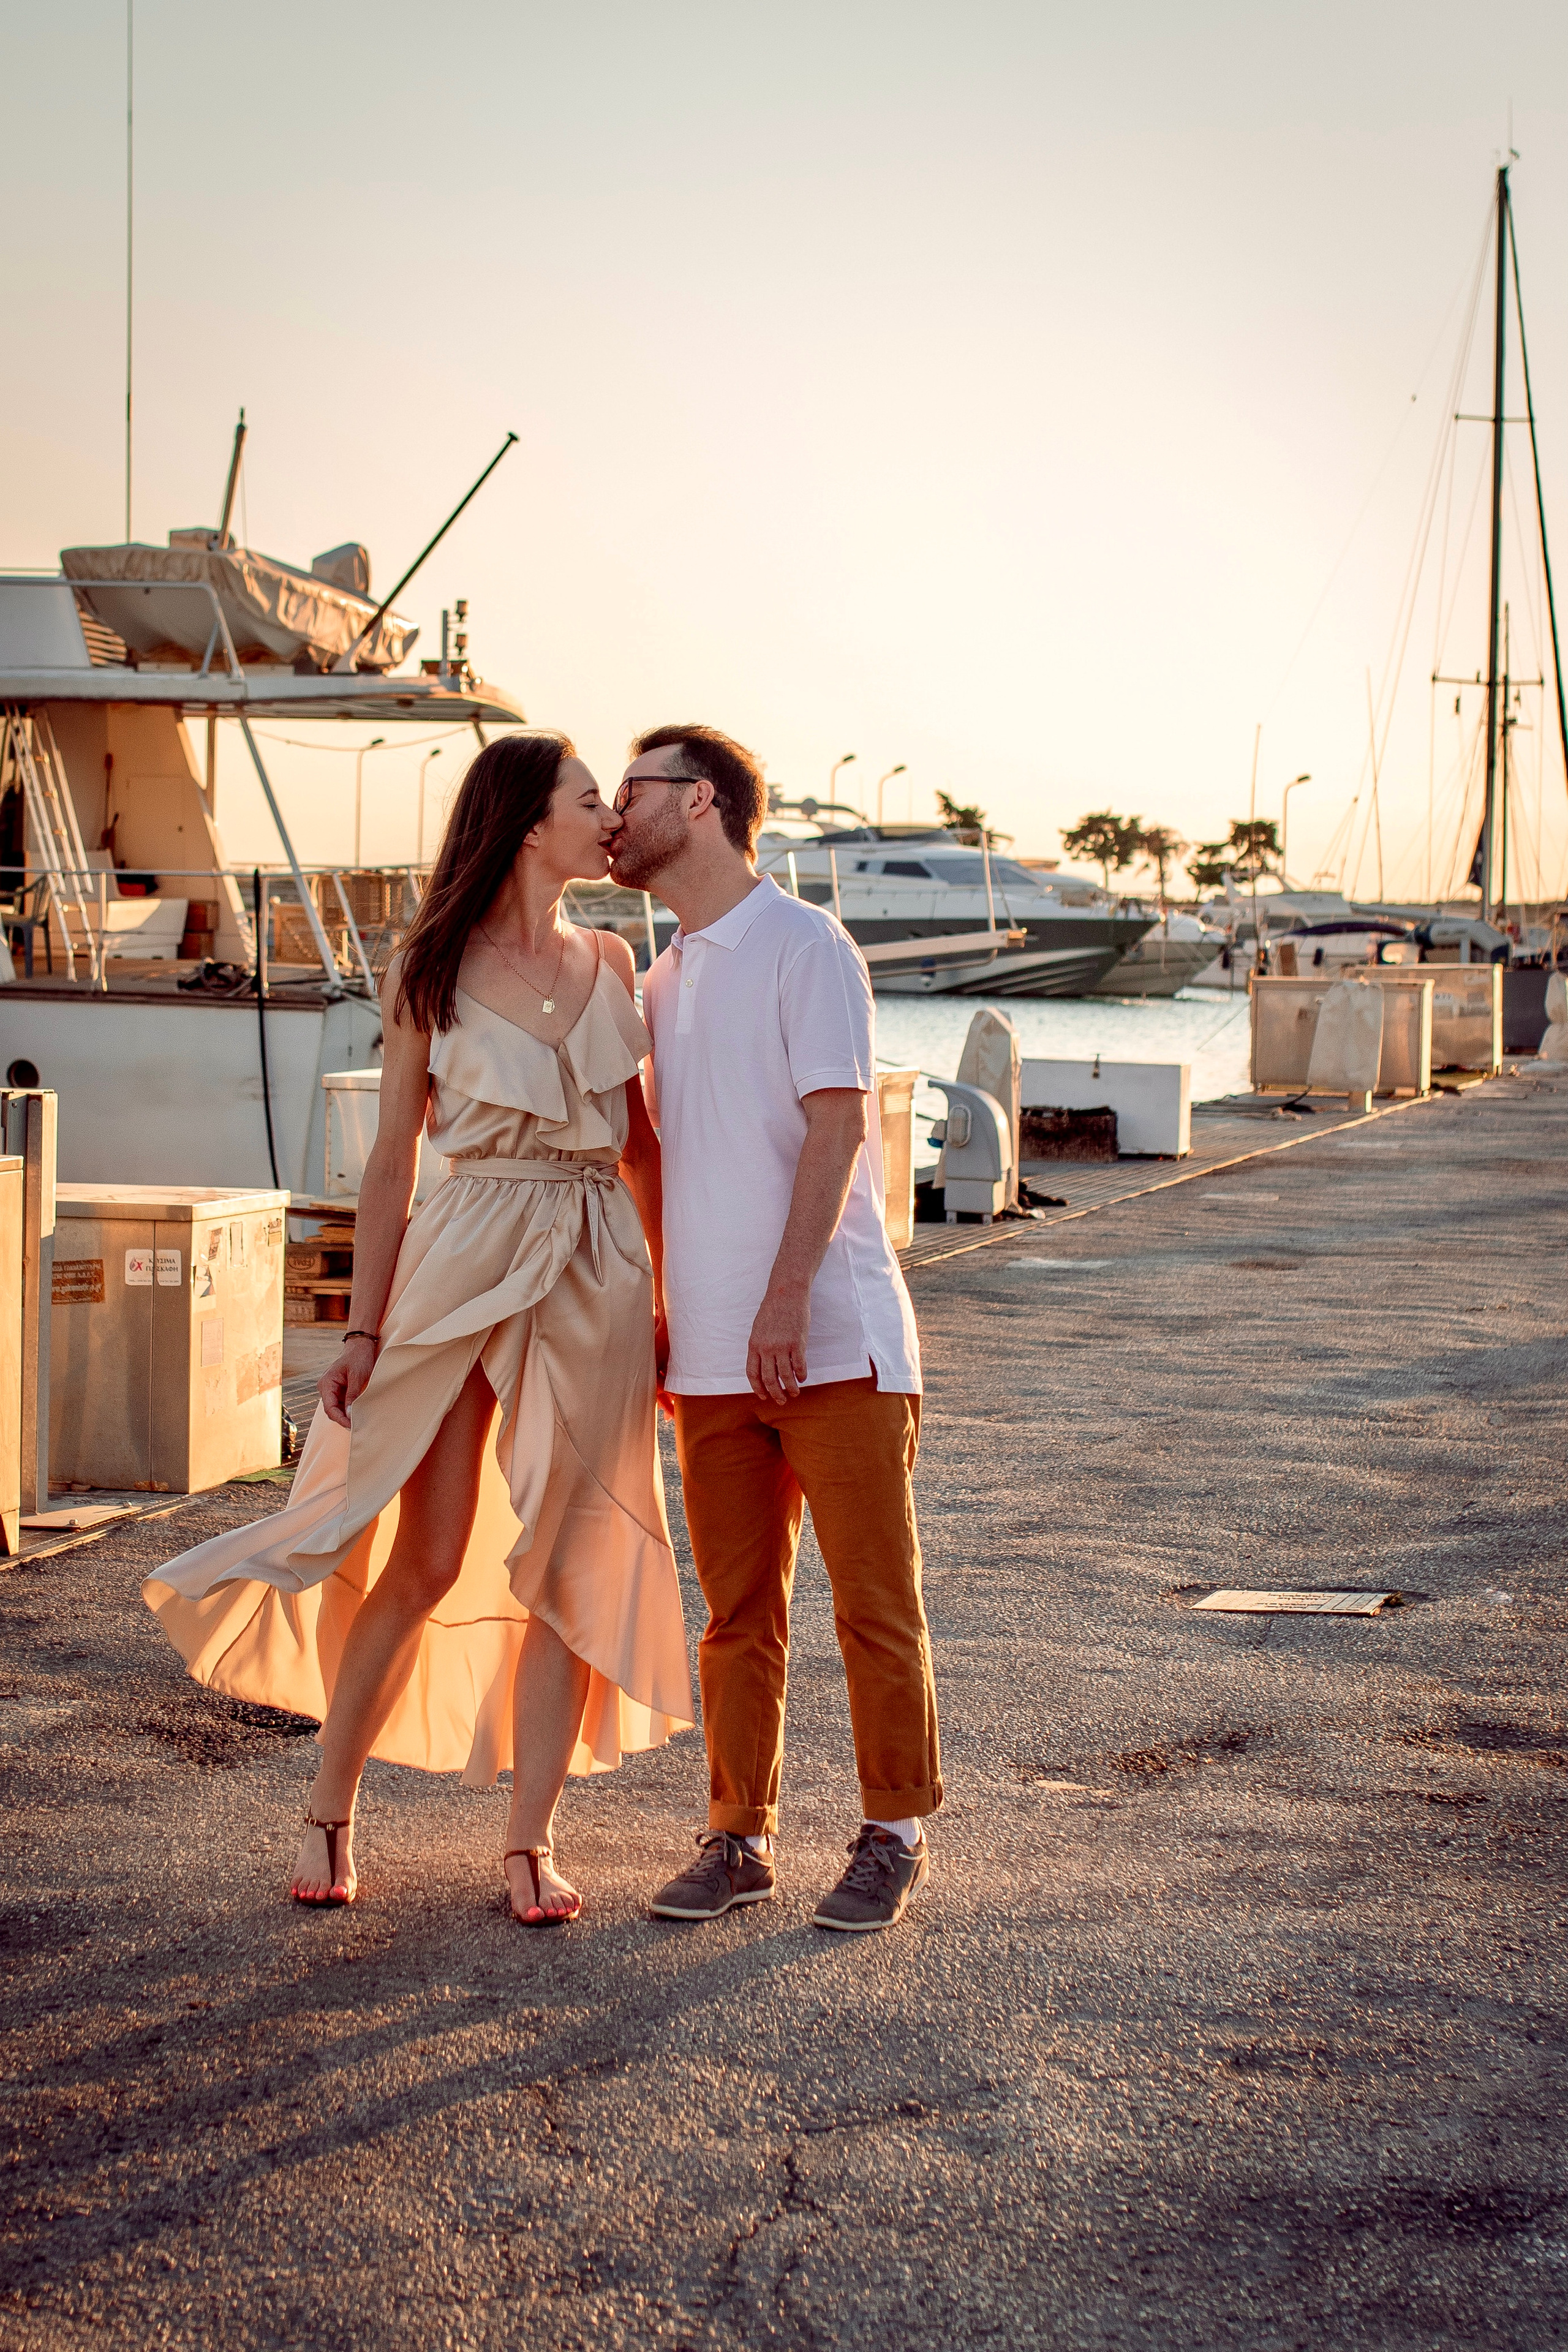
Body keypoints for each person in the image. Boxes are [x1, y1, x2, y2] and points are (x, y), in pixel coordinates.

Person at [144, 733, 692, 1924]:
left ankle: (527, 1843)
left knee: (570, 1555)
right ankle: (328, 1810)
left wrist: (665, 1303)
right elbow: (390, 1162)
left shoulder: (612, 956)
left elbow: (642, 1150)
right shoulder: (426, 966)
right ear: (522, 823)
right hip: (463, 1250)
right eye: (588, 799)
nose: (609, 818)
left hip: (593, 1260)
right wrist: (359, 1329)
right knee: (426, 1553)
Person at [609, 724, 940, 1933]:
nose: (615, 809)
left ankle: (892, 1830)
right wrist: (662, 1304)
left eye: (632, 787)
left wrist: (785, 1296)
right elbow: (667, 1163)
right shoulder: (660, 973)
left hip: (834, 1340)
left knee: (870, 1602)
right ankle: (735, 1836)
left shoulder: (804, 943)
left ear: (698, 803)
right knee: (737, 1615)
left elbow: (838, 1125)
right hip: (705, 1357)